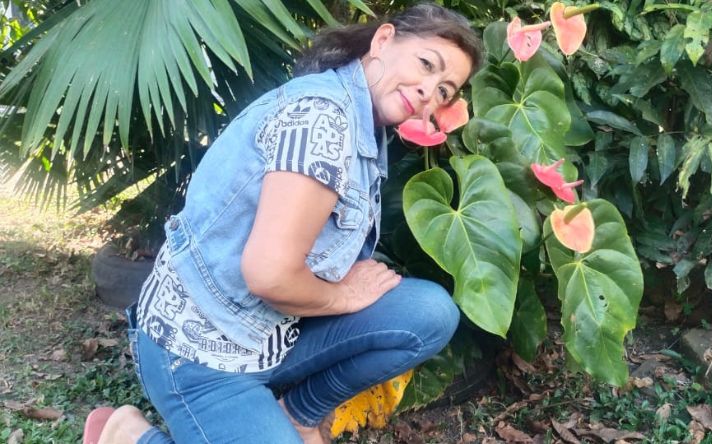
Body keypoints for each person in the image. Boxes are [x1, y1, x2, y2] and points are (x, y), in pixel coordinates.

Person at [84, 4, 482, 443]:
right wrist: (344, 295)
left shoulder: (363, 123)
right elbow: (270, 276)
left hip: (272, 334)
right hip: (198, 352)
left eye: (444, 90)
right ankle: (129, 435)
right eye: (426, 64)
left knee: (428, 313)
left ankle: (297, 415)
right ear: (383, 40)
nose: (428, 91)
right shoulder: (323, 119)